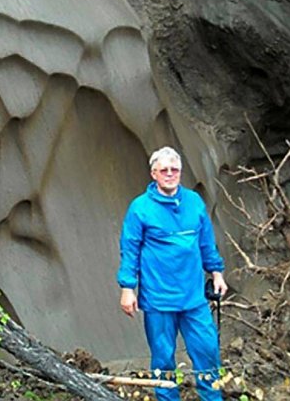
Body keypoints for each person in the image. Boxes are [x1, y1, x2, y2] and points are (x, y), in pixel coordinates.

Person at [117, 146, 228, 401]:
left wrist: (217, 272)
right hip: (159, 299)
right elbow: (129, 249)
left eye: (175, 169)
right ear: (154, 173)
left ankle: (212, 398)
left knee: (207, 350)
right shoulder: (140, 208)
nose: (170, 174)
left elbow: (206, 242)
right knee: (163, 359)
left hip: (193, 297)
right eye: (164, 170)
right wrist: (127, 288)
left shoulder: (194, 202)